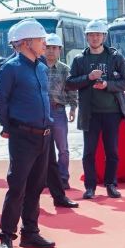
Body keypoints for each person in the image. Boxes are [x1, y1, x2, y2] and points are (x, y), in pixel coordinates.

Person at [0, 19, 56, 248]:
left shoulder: (41, 67)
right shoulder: (10, 68)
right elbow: (1, 102)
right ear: (27, 42)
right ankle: (6, 235)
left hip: (44, 135)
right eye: (41, 40)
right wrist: (8, 126)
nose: (45, 44)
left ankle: (30, 232)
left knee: (36, 187)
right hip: (22, 136)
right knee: (17, 186)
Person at [66, 19, 125, 200]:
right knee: (89, 152)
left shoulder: (115, 57)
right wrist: (88, 77)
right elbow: (70, 83)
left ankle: (111, 185)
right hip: (90, 114)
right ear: (86, 37)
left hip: (112, 112)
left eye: (98, 35)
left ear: (104, 36)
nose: (94, 38)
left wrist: (107, 85)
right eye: (91, 35)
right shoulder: (80, 59)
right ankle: (90, 187)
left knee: (112, 152)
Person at [42, 34, 79, 208]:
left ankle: (63, 178)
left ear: (59, 50)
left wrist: (73, 107)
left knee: (62, 148)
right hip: (41, 112)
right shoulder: (38, 66)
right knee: (43, 148)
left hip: (58, 111)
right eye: (48, 47)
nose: (51, 51)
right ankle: (44, 178)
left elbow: (71, 89)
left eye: (54, 48)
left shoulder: (65, 69)